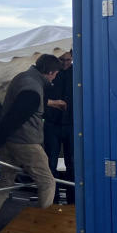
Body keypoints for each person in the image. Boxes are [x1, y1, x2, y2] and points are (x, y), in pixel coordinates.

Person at [0, 55, 61, 233]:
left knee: (5, 182)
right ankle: (41, 226)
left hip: (9, 142)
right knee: (47, 182)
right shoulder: (32, 89)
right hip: (26, 143)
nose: (55, 78)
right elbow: (15, 116)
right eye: (55, 74)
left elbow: (18, 108)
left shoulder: (23, 77)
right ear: (51, 72)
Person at [44, 50, 74, 203]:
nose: (65, 63)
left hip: (72, 125)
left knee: (73, 163)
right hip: (52, 124)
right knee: (51, 163)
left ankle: (73, 199)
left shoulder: (78, 73)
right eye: (61, 60)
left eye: (67, 60)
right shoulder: (51, 74)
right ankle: (52, 199)